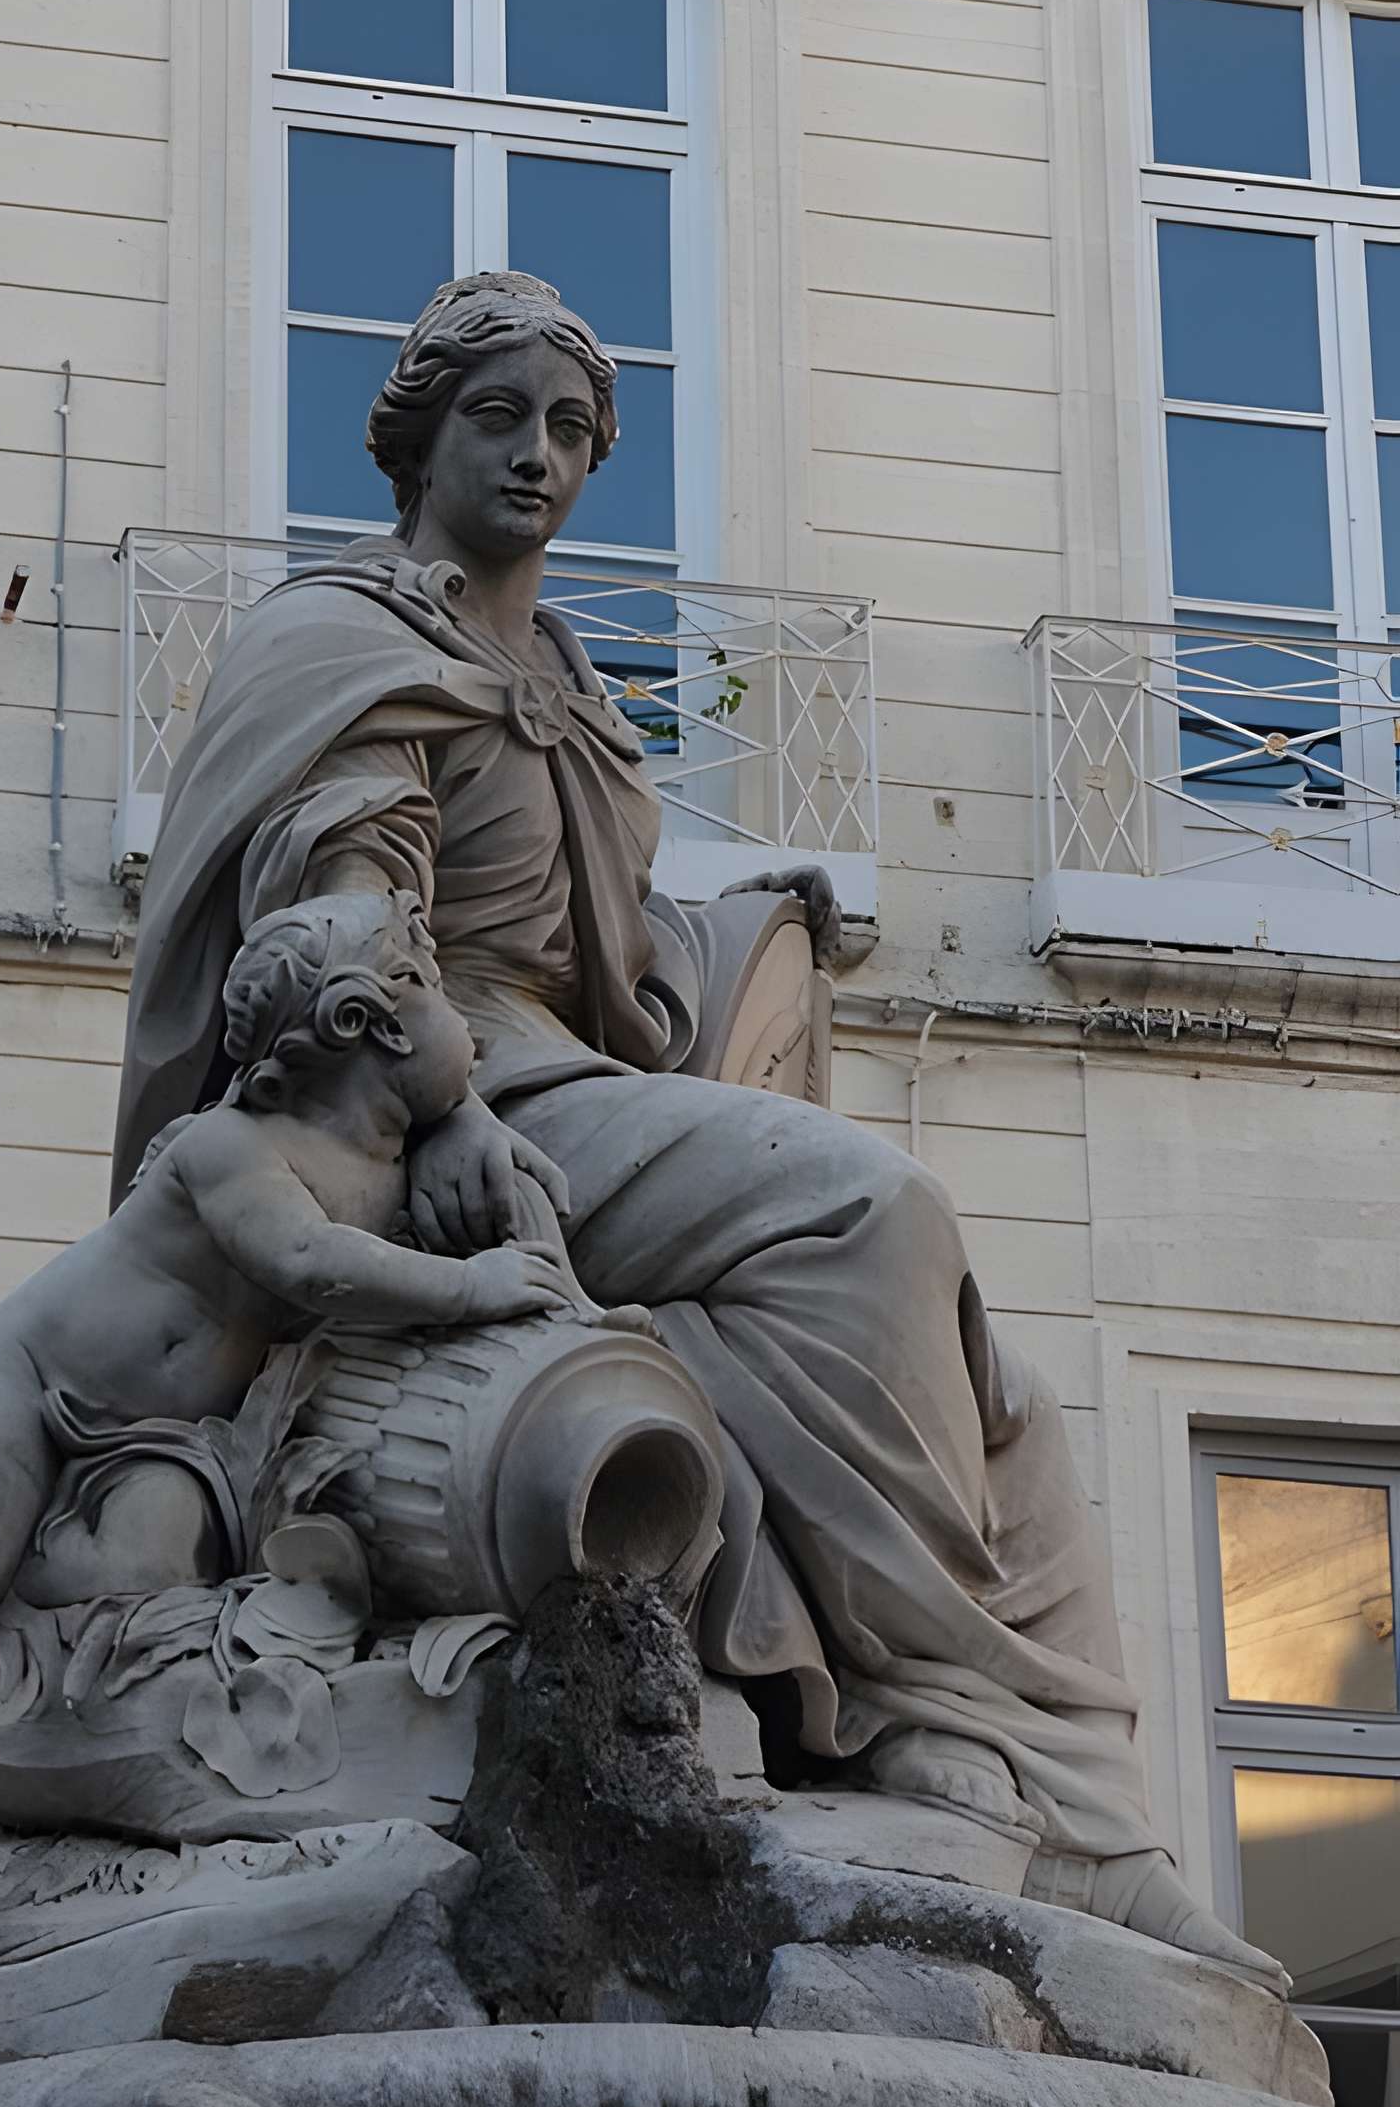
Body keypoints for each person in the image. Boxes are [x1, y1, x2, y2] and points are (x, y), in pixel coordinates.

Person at [111, 271, 1283, 1988]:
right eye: (500, 418)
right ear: (418, 435)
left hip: (575, 1080)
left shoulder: (571, 679)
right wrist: (429, 1112)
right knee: (874, 1212)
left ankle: (1083, 1818)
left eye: (574, 430)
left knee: (992, 1385)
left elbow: (612, 966)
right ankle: (929, 1717)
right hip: (445, 1101)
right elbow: (345, 929)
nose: (539, 458)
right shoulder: (344, 641)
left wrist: (726, 948)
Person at [0, 890, 581, 1844]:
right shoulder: (227, 1147)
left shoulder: (393, 1153)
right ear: (364, 1025)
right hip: (32, 1382)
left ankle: (88, 1685)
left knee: (151, 1573)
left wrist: (489, 1144)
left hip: (180, 1440)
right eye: (434, 989)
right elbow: (312, 1266)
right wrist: (474, 1285)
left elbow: (451, 1113)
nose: (468, 1026)